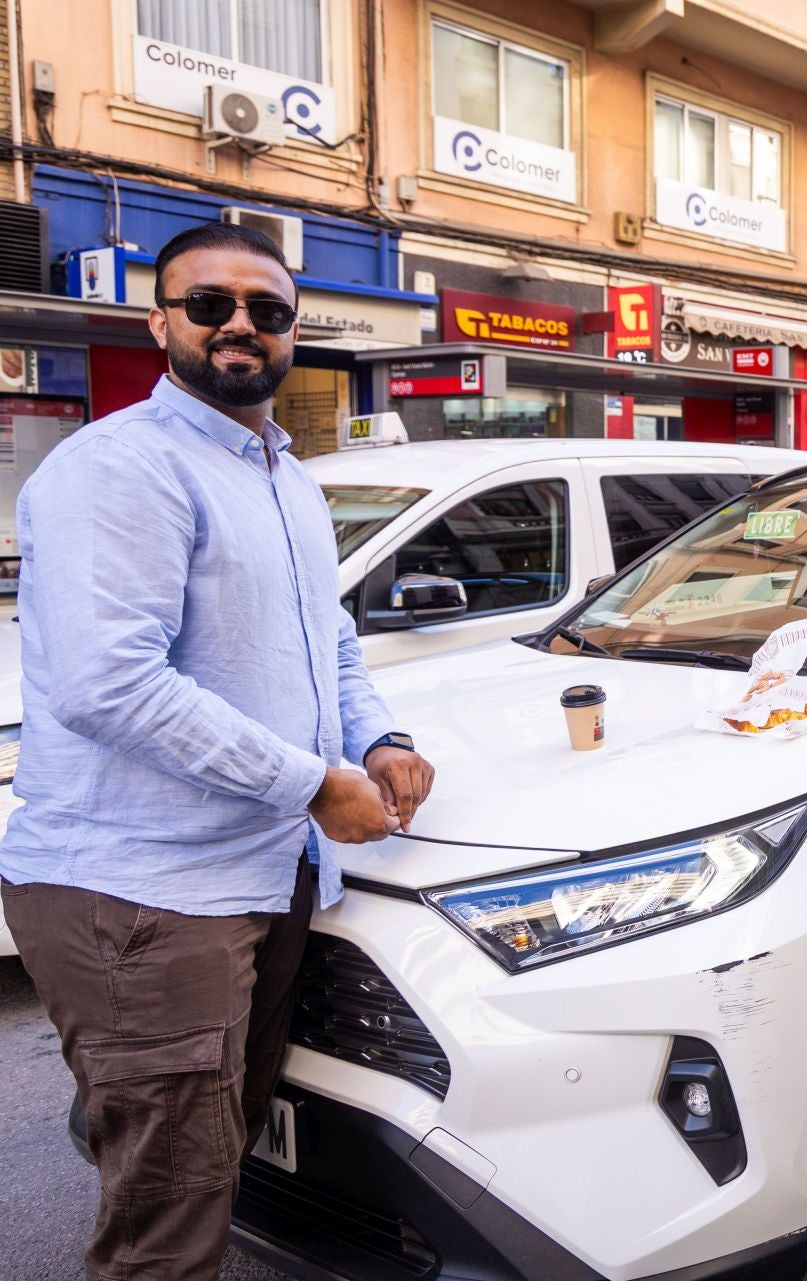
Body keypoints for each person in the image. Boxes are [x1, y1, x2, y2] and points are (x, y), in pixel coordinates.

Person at [0, 222, 435, 1281]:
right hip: (144, 895)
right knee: (166, 1214)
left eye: (268, 310)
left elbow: (324, 636)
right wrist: (314, 783)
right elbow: (112, 685)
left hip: (258, 874)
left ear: (292, 333)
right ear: (162, 323)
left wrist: (378, 734)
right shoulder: (122, 467)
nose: (241, 325)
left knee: (211, 1159)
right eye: (210, 305)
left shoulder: (285, 476)